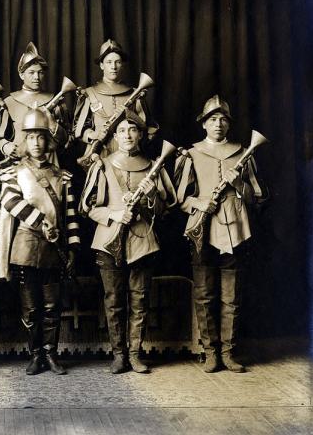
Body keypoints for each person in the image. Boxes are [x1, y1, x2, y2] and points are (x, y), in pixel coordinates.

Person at [80, 110, 176, 374]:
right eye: (121, 131)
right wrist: (114, 214)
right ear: (114, 136)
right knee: (113, 301)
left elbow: (165, 211)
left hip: (143, 244)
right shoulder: (103, 164)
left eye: (133, 130)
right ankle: (119, 354)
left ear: (141, 134)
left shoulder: (153, 165)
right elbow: (88, 208)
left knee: (140, 300)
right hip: (108, 241)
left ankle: (135, 353)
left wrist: (153, 194)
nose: (127, 136)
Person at [175, 95, 265, 373]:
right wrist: (201, 203)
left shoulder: (243, 153)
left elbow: (257, 197)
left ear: (229, 124)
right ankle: (210, 351)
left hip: (236, 232)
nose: (218, 124)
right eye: (212, 119)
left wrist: (239, 183)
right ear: (204, 124)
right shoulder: (191, 154)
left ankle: (228, 352)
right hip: (203, 232)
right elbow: (180, 199)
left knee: (231, 296)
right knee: (204, 295)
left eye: (223, 119)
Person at [0, 107, 80, 375]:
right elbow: (9, 201)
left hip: (54, 248)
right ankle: (35, 355)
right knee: (31, 308)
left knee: (52, 307)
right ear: (24, 140)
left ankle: (51, 354)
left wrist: (73, 248)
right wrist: (39, 221)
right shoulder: (12, 173)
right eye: (30, 137)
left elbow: (70, 216)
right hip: (25, 246)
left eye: (40, 137)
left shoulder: (62, 176)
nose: (36, 142)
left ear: (48, 141)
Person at [73, 39, 157, 159]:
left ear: (122, 64)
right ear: (102, 65)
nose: (113, 67)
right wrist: (94, 134)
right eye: (109, 62)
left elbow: (149, 130)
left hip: (130, 155)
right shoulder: (89, 93)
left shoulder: (135, 94)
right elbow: (78, 129)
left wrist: (131, 115)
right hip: (100, 154)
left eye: (117, 62)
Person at [0, 42, 70, 165]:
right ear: (21, 74)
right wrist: (5, 146)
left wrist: (53, 125)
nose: (36, 77)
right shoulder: (9, 102)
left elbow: (67, 140)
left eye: (40, 72)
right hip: (18, 163)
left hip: (49, 164)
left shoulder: (56, 101)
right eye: (31, 72)